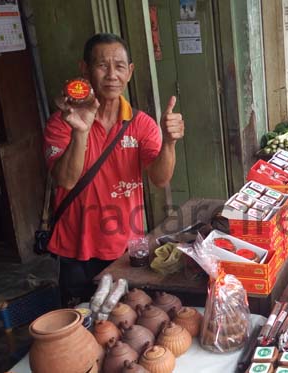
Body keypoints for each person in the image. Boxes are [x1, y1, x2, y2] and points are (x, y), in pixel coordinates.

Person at [44, 33, 185, 306]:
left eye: (119, 66)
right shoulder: (61, 124)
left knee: (125, 319)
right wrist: (81, 132)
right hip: (76, 249)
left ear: (130, 72)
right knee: (83, 323)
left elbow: (160, 178)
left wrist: (169, 142)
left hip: (125, 249)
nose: (111, 75)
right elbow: (66, 179)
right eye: (101, 65)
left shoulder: (141, 124)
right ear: (84, 68)